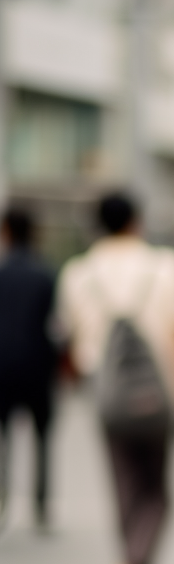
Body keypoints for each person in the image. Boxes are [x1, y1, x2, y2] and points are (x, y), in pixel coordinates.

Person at [57, 192, 174, 564]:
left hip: (106, 394)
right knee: (158, 492)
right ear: (137, 222)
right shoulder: (165, 266)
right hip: (161, 393)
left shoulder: (77, 273)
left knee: (123, 485)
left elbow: (70, 343)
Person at [0, 208, 57, 529]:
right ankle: (41, 503)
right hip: (37, 364)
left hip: (2, 366)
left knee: (3, 438)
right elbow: (56, 325)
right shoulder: (45, 274)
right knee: (43, 438)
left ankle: (3, 497)